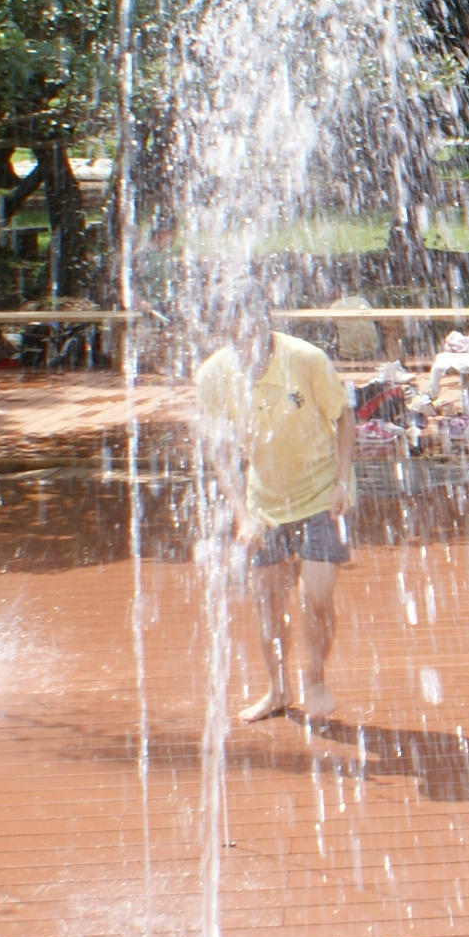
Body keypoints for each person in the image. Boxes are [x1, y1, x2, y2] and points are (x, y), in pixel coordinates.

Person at [192, 302, 358, 722]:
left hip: (324, 493)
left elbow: (344, 416)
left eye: (251, 332)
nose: (245, 344)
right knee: (267, 603)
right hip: (265, 502)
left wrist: (341, 481)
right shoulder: (213, 375)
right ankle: (278, 690)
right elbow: (219, 449)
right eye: (234, 334)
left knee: (315, 596)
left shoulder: (304, 359)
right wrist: (241, 513)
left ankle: (315, 680)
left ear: (266, 325)